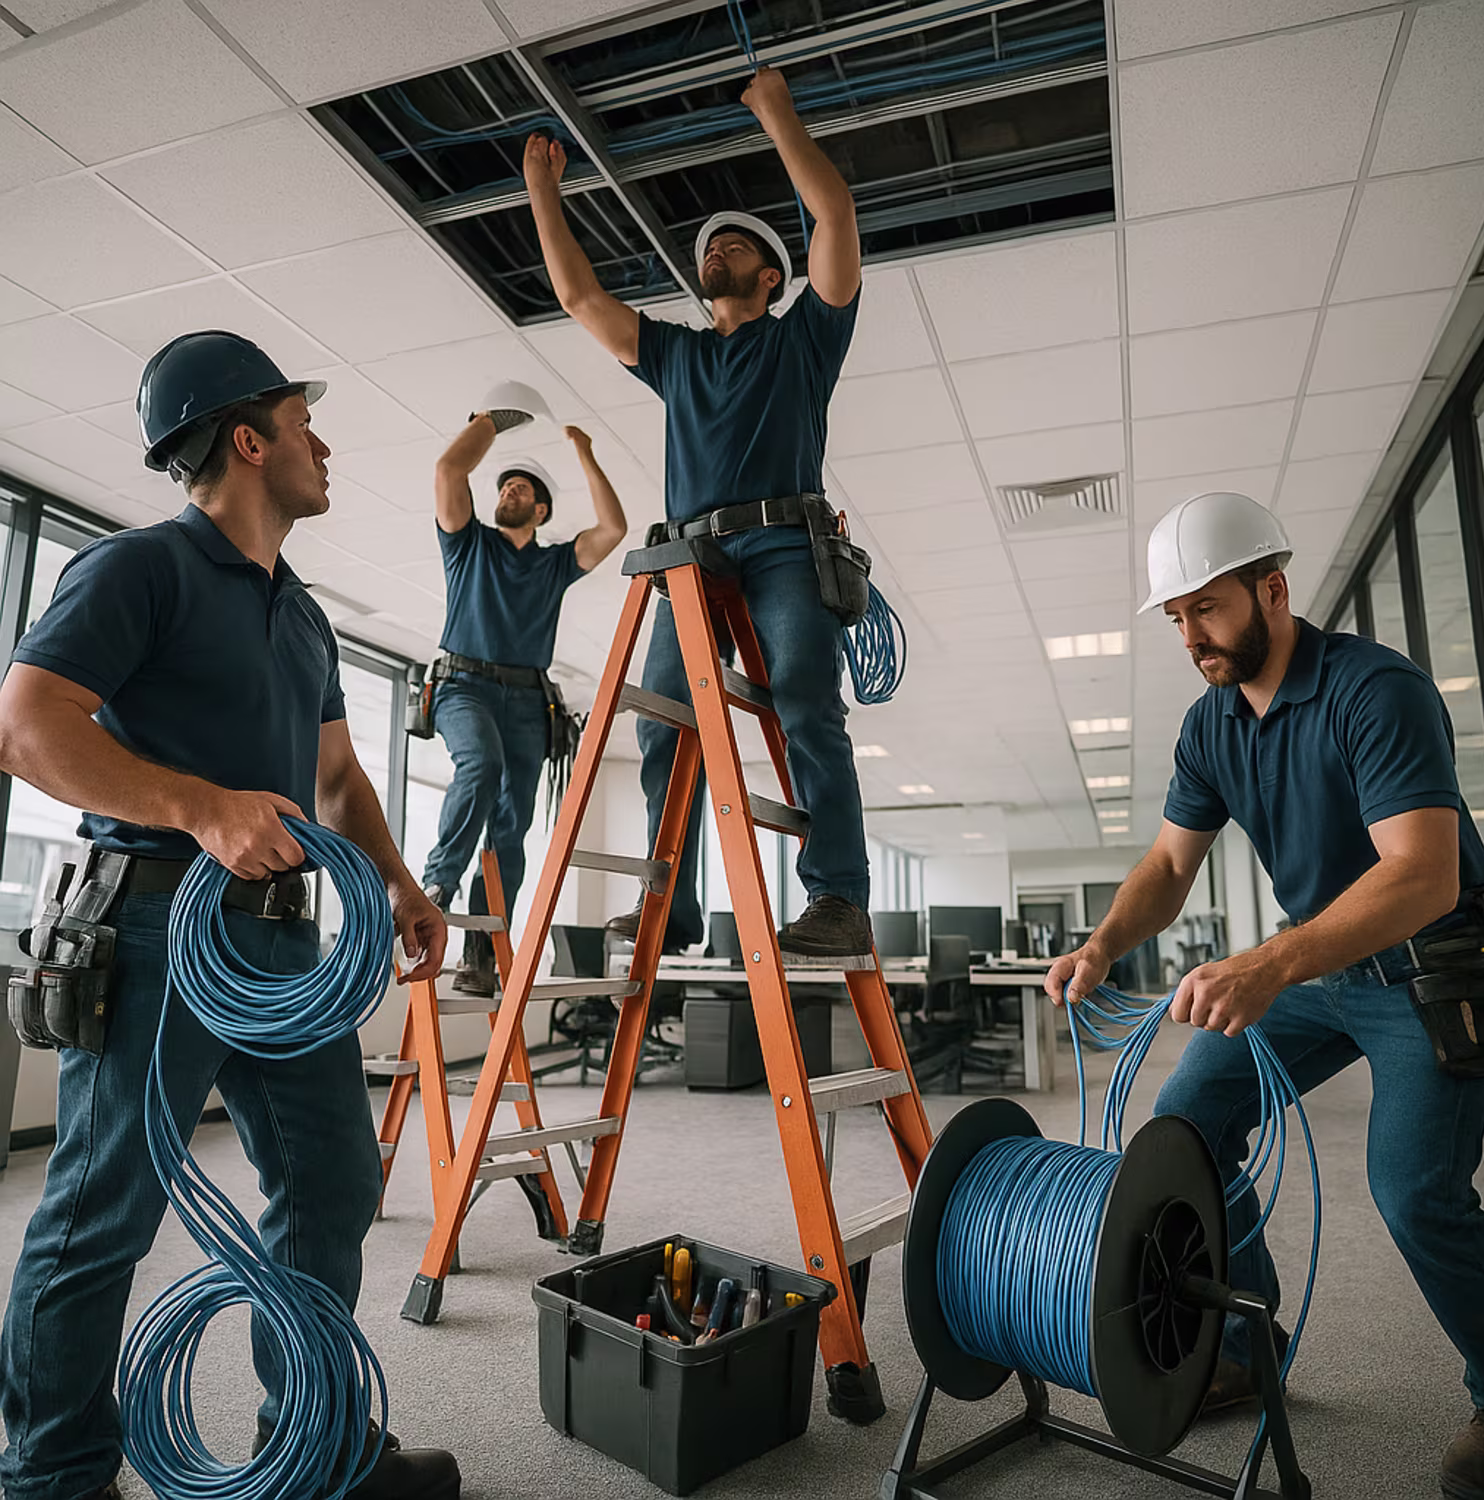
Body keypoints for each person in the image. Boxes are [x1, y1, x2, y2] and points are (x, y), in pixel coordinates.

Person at [0, 331, 461, 1500]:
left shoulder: (302, 616)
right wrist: (198, 807)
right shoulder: (137, 570)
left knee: (333, 1181)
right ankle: (52, 1478)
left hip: (279, 943)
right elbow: (28, 726)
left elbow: (342, 783)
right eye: (305, 423)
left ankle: (310, 1446)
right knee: (105, 1210)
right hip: (152, 928)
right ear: (249, 441)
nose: (325, 444)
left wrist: (401, 886)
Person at [1047, 491, 1484, 1499]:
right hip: (1322, 972)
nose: (1190, 635)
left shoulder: (1374, 691)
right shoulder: (1211, 729)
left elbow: (1422, 875)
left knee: (1416, 1192)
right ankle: (1247, 1342)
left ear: (1273, 588)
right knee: (1189, 1120)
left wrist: (1269, 962)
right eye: (1175, 618)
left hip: (1431, 971)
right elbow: (1169, 865)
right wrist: (1105, 943)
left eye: (1206, 609)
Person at [522, 64, 872, 959]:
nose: (713, 250)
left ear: (770, 274)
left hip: (786, 544)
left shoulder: (804, 338)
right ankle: (670, 904)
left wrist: (778, 113)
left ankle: (837, 897)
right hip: (690, 557)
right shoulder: (676, 355)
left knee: (803, 700)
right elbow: (578, 299)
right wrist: (542, 194)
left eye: (735, 246)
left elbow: (834, 219)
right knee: (661, 720)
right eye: (708, 246)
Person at [419, 412, 626, 994]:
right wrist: (487, 424)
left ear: (540, 512)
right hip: (464, 687)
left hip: (530, 701)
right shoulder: (467, 545)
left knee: (513, 826)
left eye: (524, 489)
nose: (510, 490)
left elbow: (613, 527)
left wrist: (585, 451)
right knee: (479, 765)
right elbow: (448, 468)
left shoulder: (553, 563)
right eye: (506, 486)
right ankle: (438, 883)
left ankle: (481, 952)